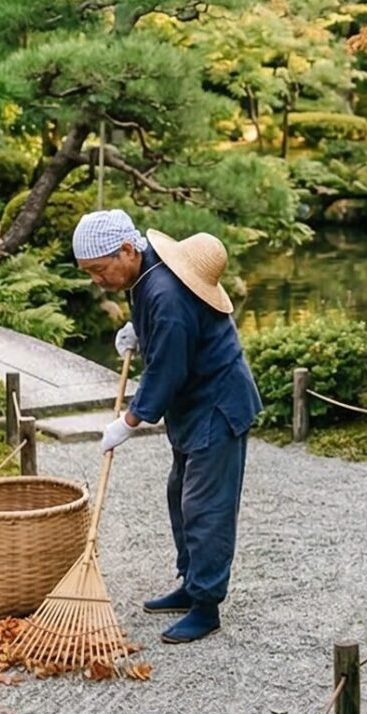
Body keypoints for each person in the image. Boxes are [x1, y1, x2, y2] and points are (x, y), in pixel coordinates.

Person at [71, 209, 263, 644]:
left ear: (125, 249)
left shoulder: (165, 293)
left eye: (100, 271)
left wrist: (130, 419)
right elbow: (165, 330)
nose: (98, 281)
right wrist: (137, 328)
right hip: (194, 404)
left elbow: (167, 369)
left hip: (216, 404)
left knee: (205, 507)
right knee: (179, 493)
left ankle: (206, 606)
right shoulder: (149, 264)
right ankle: (191, 582)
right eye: (90, 274)